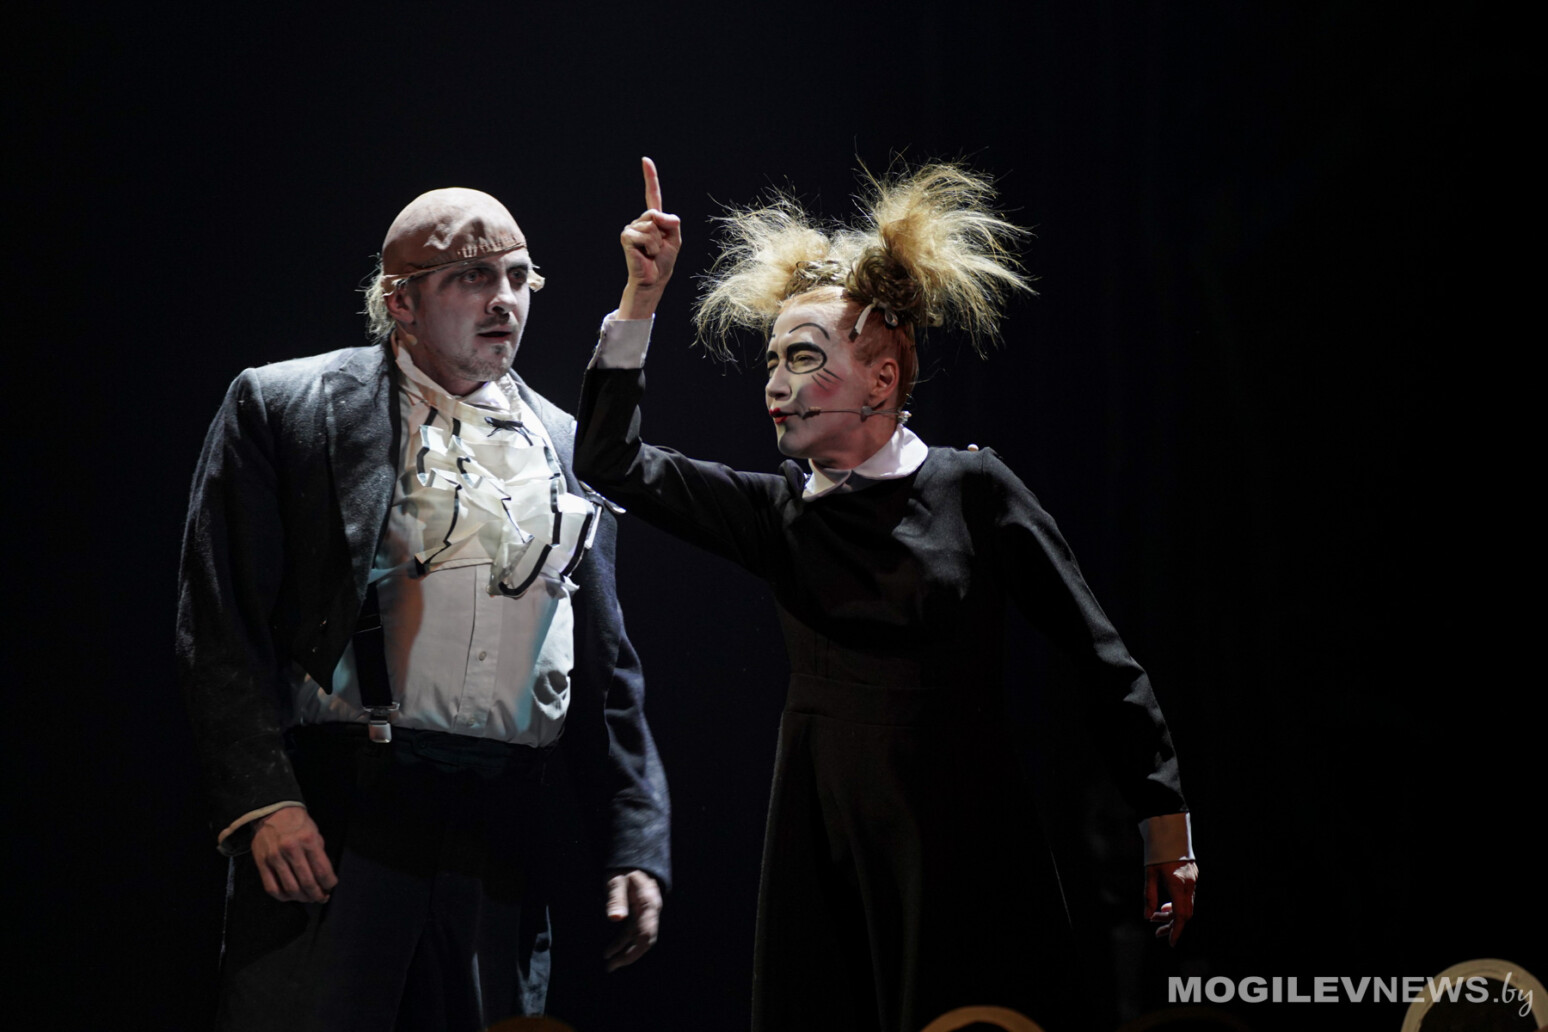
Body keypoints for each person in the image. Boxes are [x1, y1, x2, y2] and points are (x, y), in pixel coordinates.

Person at [574, 158, 1198, 1031]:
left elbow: (1099, 659)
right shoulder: (778, 515)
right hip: (824, 836)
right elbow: (609, 462)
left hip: (963, 833)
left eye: (803, 358)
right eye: (772, 361)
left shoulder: (973, 490)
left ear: (881, 379)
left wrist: (1164, 819)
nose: (776, 384)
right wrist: (642, 298)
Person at [177, 185, 671, 1032]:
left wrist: (633, 836)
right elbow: (221, 622)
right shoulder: (290, 404)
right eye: (473, 277)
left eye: (518, 277)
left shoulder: (564, 443)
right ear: (400, 302)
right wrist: (265, 798)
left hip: (501, 832)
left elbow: (605, 663)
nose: (505, 300)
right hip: (347, 812)